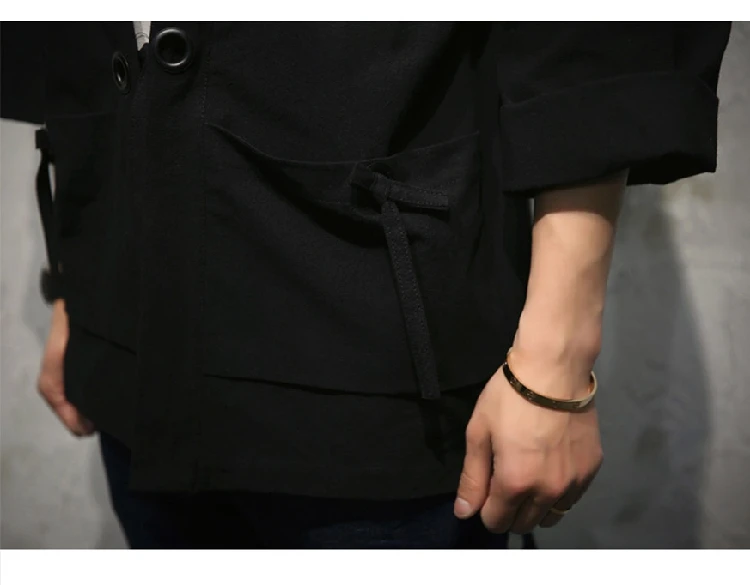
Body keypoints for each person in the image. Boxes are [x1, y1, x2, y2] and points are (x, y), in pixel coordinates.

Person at [1, 22, 731, 549]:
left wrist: (557, 365)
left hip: (382, 386)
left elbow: (600, 37)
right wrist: (79, 284)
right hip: (134, 355)